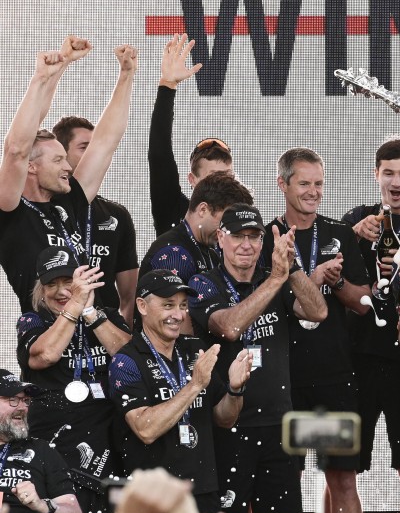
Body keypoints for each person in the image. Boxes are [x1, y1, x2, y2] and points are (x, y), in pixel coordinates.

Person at [188, 205, 327, 513]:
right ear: (221, 238)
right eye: (238, 236)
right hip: (227, 425)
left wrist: (290, 267)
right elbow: (229, 326)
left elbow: (317, 311)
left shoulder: (276, 278)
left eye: (254, 236)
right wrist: (275, 279)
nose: (246, 244)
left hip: (278, 424)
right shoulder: (203, 283)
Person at [265, 147, 371, 513]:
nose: (313, 192)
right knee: (283, 481)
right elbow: (262, 303)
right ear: (283, 184)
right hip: (283, 381)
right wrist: (311, 276)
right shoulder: (265, 237)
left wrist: (337, 282)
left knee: (342, 479)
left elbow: (364, 304)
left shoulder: (340, 235)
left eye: (319, 184)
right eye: (304, 183)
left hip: (332, 380)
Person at [0, 38, 136, 312]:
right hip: (51, 337)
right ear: (32, 166)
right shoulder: (10, 210)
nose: (69, 167)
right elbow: (16, 149)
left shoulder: (67, 200)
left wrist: (126, 76)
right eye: (59, 159)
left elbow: (105, 141)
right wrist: (41, 79)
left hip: (98, 335)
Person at [16, 245, 131, 513]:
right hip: (54, 455)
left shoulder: (104, 315)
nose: (61, 290)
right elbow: (44, 355)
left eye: (69, 281)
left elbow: (129, 358)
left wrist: (91, 313)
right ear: (41, 288)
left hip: (107, 450)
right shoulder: (32, 320)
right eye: (51, 284)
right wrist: (73, 309)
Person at [109, 269, 251, 513]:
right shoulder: (126, 361)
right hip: (153, 496)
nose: (178, 315)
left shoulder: (195, 348)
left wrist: (235, 390)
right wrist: (194, 386)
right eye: (168, 305)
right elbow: (146, 429)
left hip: (203, 490)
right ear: (142, 306)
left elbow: (224, 419)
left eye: (183, 305)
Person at [341, 138, 400, 513]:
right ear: (376, 175)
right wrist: (352, 237)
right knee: (342, 472)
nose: (396, 181)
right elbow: (327, 277)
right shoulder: (356, 220)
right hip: (356, 361)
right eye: (388, 172)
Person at [139, 170, 253, 334]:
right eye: (225, 221)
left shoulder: (210, 249)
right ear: (203, 209)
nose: (227, 231)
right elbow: (174, 329)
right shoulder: (174, 255)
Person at [52, 115, 139, 325]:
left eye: (95, 148)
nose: (93, 155)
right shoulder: (44, 210)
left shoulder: (116, 215)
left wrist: (123, 344)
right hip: (56, 330)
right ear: (61, 155)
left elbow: (129, 297)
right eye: (84, 148)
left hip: (104, 332)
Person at [149, 33, 233, 235]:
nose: (222, 183)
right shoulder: (173, 209)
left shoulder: (242, 219)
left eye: (227, 176)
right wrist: (168, 86)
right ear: (192, 180)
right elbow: (160, 155)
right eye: (213, 177)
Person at [0, 368, 84, 513]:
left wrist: (40, 505)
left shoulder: (41, 450)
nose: (23, 407)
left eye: (26, 400)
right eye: (13, 400)